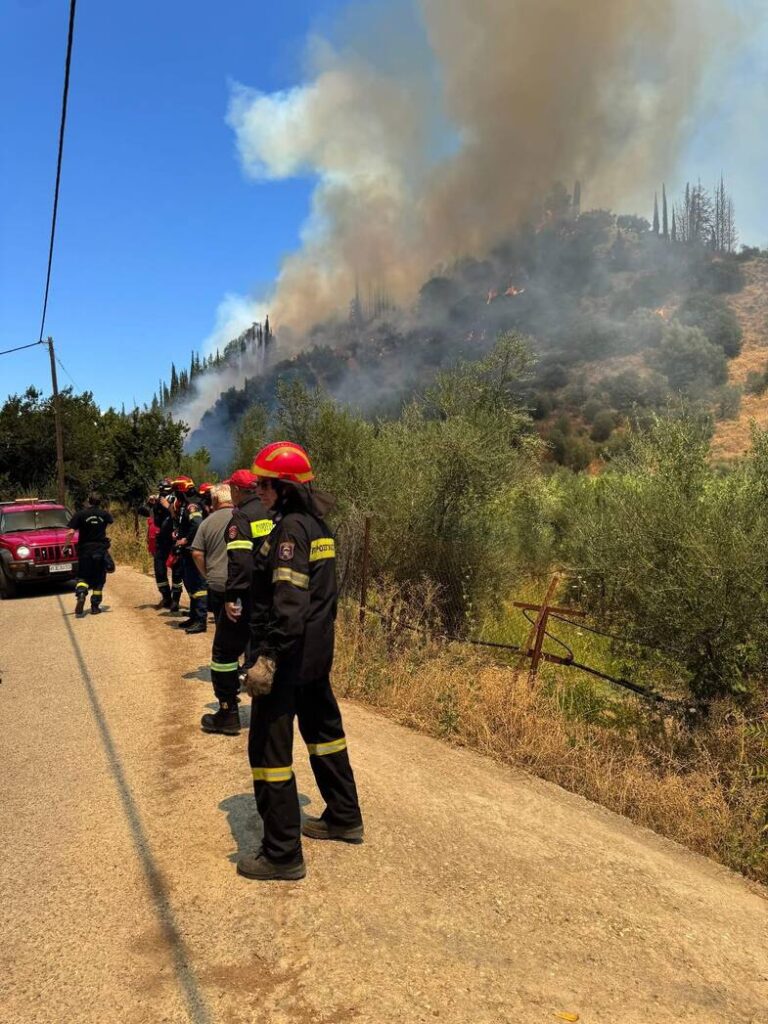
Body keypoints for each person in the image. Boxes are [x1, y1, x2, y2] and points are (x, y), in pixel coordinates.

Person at [237, 442, 363, 882]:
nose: (259, 490)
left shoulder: (290, 530)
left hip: (287, 656)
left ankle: (281, 853)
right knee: (325, 733)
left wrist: (268, 658)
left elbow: (289, 603)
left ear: (285, 487)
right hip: (315, 654)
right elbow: (322, 599)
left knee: (269, 751)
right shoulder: (317, 525)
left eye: (266, 483)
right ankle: (344, 815)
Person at [200, 470, 273, 736]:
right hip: (271, 598)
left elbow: (240, 562)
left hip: (246, 598)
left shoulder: (241, 517)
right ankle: (270, 712)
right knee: (263, 651)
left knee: (223, 654)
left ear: (237, 491)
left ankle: (227, 712)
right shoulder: (272, 513)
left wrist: (232, 598)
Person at [191, 483, 234, 623]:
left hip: (218, 582)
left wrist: (207, 574)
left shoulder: (206, 523)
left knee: (222, 626)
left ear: (215, 500)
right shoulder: (243, 517)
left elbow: (197, 554)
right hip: (241, 581)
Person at [67, 492, 114, 617]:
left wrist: (66, 546)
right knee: (99, 579)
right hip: (100, 550)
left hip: (85, 550)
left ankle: (81, 593)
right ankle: (95, 607)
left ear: (88, 501)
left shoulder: (80, 514)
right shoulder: (104, 514)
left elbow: (70, 532)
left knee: (83, 576)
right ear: (99, 502)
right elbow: (110, 521)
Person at [171, 476, 208, 634]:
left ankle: (200, 620)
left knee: (198, 586)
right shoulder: (186, 504)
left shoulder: (192, 505)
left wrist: (186, 539)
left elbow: (197, 524)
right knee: (191, 585)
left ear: (181, 491)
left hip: (193, 550)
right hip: (187, 551)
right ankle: (193, 617)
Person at [139, 478, 175, 609]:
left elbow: (178, 515)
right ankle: (166, 597)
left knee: (178, 569)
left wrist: (168, 505)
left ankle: (176, 599)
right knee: (159, 568)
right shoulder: (158, 501)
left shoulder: (175, 500)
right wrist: (149, 503)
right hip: (162, 539)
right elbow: (142, 510)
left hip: (175, 538)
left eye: (164, 490)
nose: (162, 494)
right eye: (161, 490)